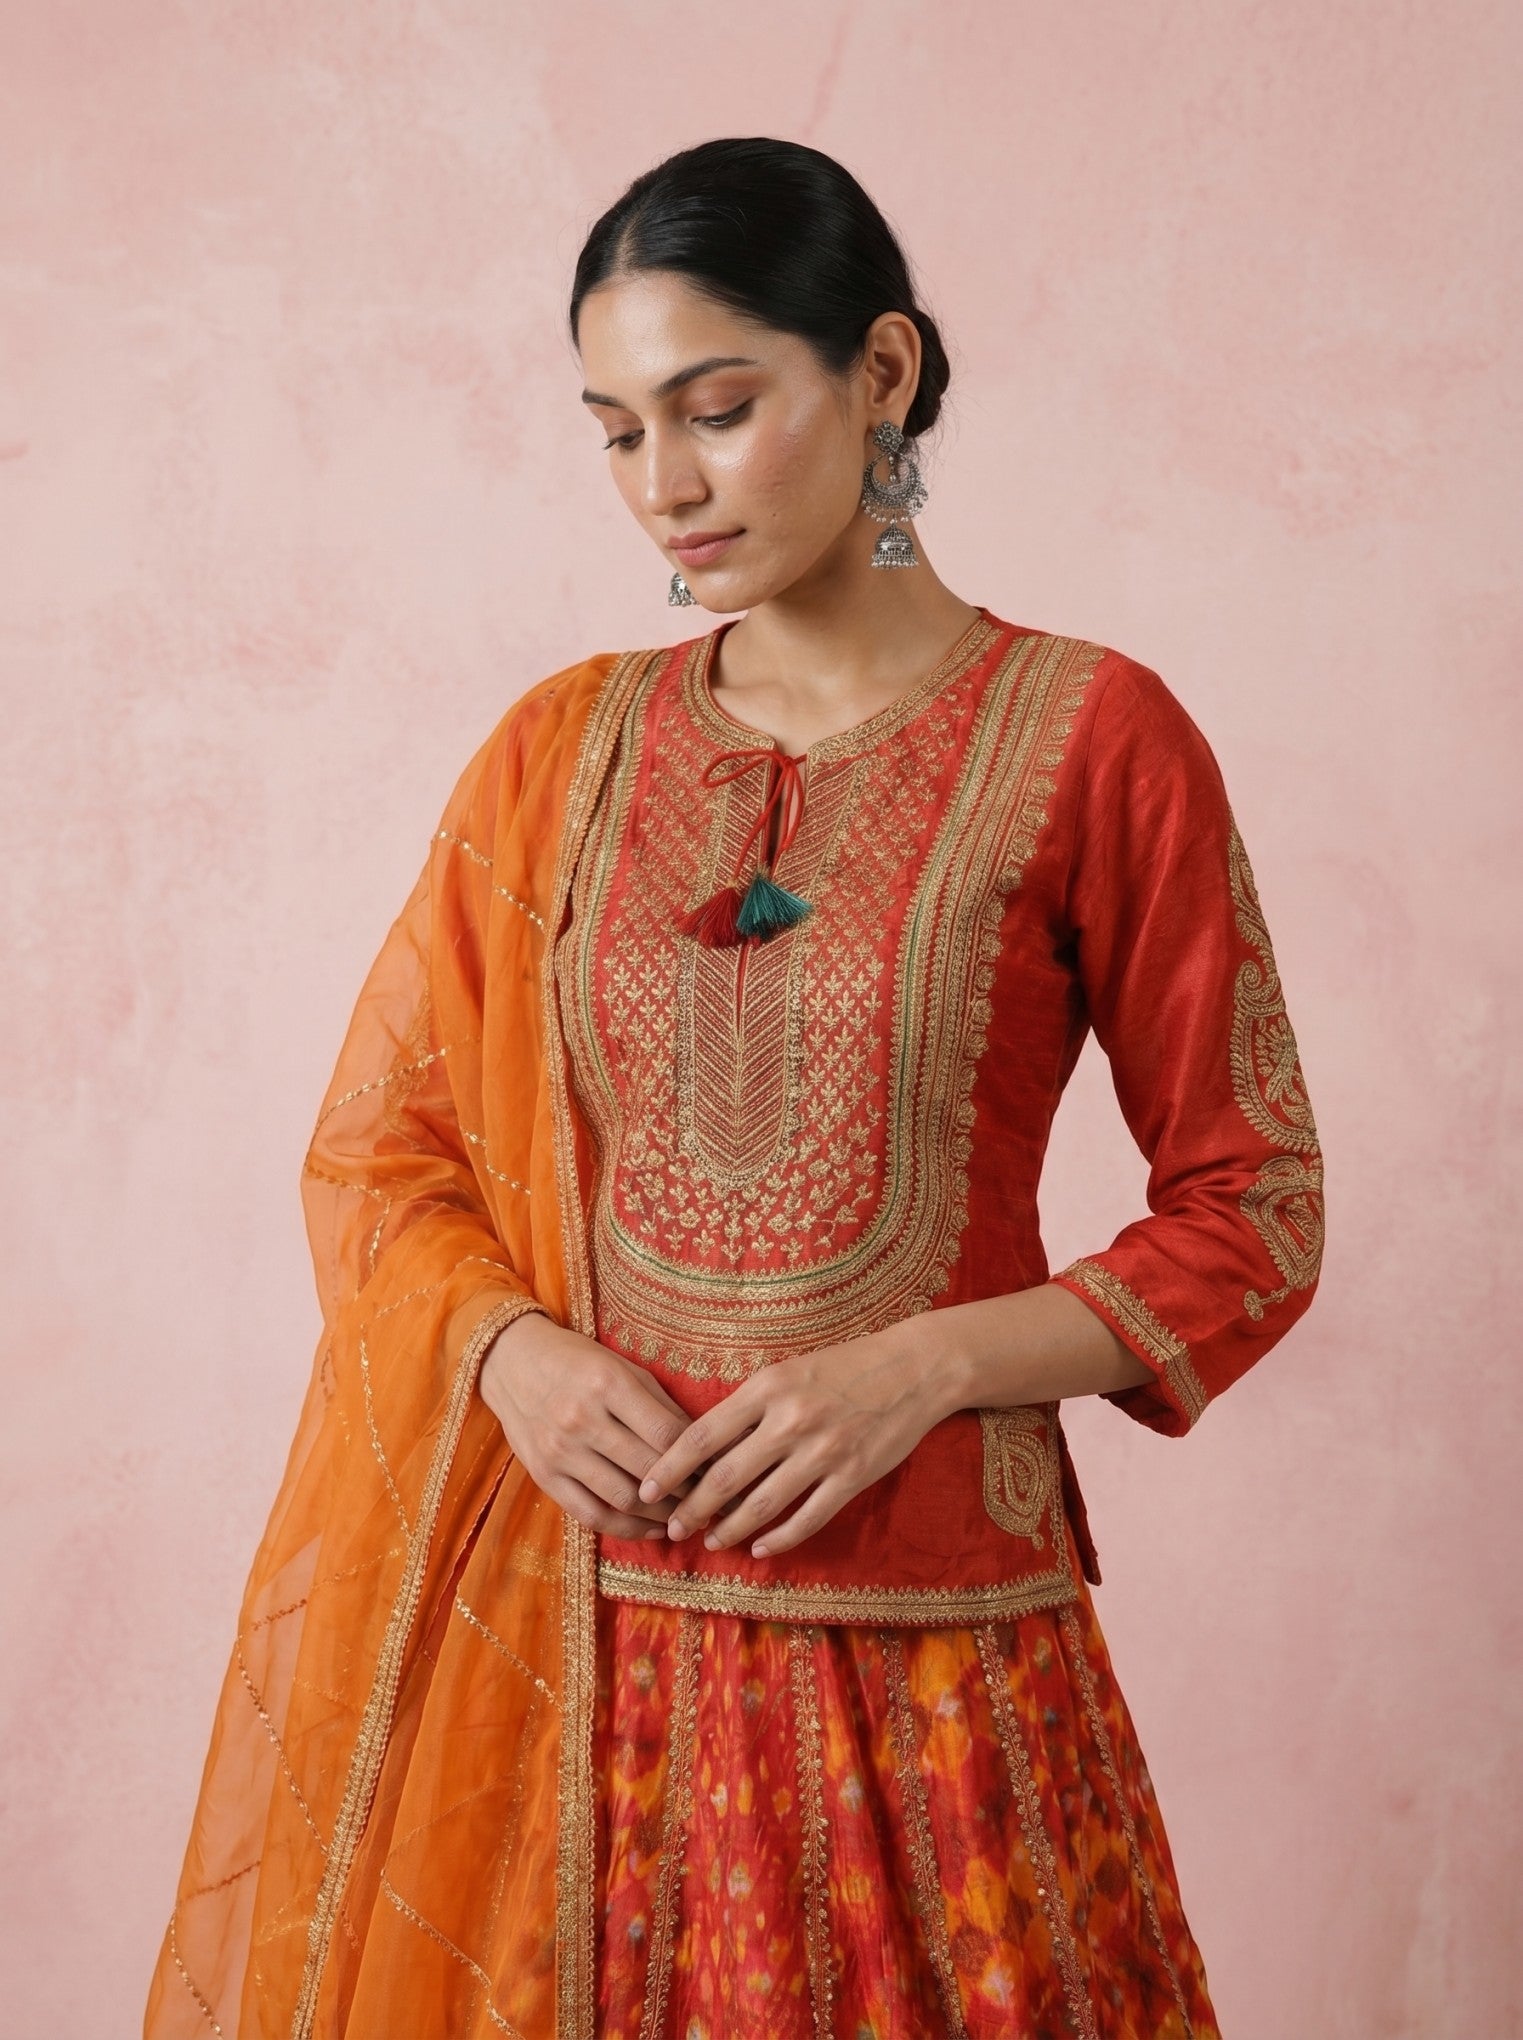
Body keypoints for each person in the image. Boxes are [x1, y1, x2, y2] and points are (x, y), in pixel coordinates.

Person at [146, 136, 1325, 2040]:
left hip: (942, 1674)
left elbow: (1256, 1212)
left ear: (883, 372)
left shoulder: (1095, 738)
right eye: (617, 432)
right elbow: (386, 1158)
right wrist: (509, 1356)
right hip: (570, 1671)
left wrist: (925, 1364)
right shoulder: (557, 755)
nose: (665, 488)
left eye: (716, 410)